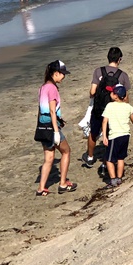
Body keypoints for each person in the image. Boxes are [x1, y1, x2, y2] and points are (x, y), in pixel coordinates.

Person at [83, 47, 131, 176]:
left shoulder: (98, 71)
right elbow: (125, 98)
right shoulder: (123, 76)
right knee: (111, 135)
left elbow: (92, 92)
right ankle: (106, 162)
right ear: (119, 60)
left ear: (108, 57)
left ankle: (90, 157)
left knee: (94, 132)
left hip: (99, 108)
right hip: (114, 110)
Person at [36, 60, 77, 196]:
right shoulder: (52, 89)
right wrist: (56, 131)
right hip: (52, 127)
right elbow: (52, 111)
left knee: (48, 158)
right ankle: (63, 184)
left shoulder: (43, 87)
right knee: (66, 151)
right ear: (56, 73)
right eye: (62, 74)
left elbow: (42, 110)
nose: (64, 76)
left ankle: (41, 188)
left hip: (42, 126)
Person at [101, 85, 133, 188]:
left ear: (116, 96)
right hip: (125, 135)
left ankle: (113, 180)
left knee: (109, 159)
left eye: (112, 92)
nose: (110, 94)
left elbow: (104, 121)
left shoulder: (110, 106)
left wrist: (104, 136)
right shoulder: (128, 107)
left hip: (114, 136)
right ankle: (119, 178)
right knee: (121, 158)